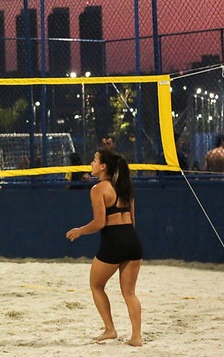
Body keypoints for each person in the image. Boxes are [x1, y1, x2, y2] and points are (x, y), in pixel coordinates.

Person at [65, 149, 142, 347]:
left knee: (96, 285)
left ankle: (110, 329)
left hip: (114, 240)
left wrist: (80, 231)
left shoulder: (99, 189)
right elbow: (133, 221)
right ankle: (136, 337)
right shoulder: (125, 188)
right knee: (130, 293)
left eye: (94, 160)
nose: (91, 163)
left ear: (103, 166)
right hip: (132, 240)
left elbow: (99, 223)